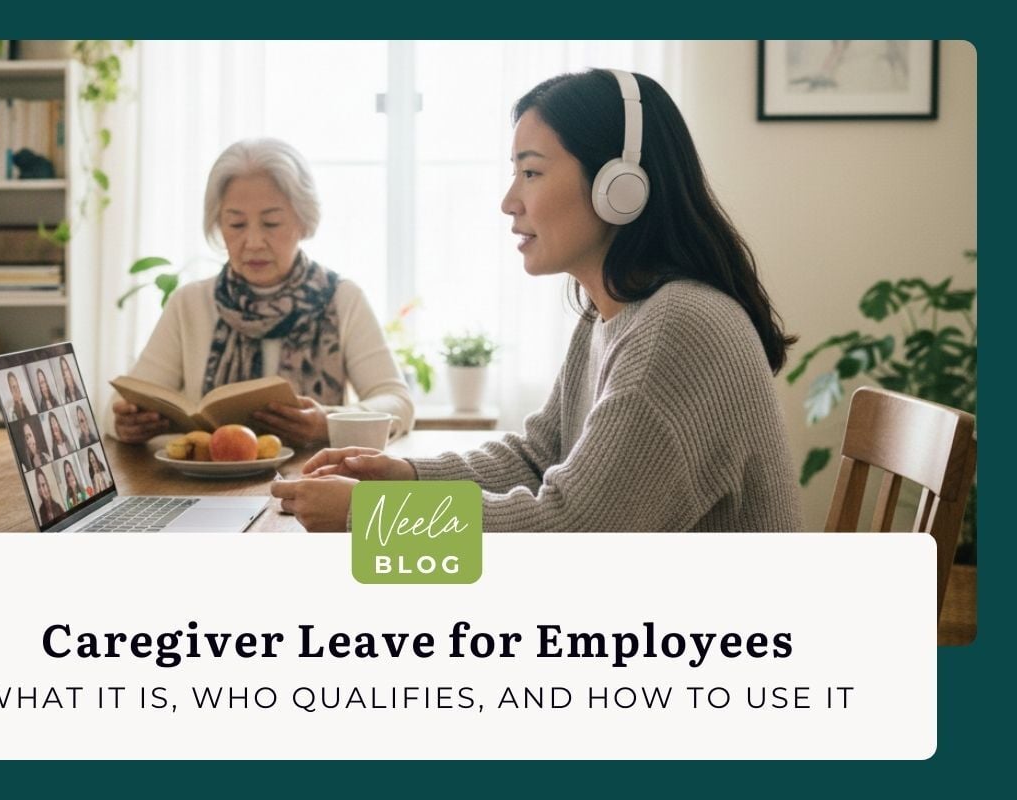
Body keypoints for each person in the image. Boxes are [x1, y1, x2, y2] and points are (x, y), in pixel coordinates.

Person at [272, 69, 802, 533]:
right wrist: (406, 474)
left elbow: (571, 532)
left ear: (620, 186)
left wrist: (371, 514)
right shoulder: (611, 314)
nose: (509, 201)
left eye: (531, 172)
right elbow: (539, 458)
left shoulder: (679, 327)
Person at [107, 137, 413, 447]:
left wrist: (329, 423)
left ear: (304, 222)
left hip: (315, 483)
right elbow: (115, 408)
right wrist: (126, 423)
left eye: (271, 222)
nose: (253, 241)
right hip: (211, 489)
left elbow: (397, 403)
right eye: (236, 224)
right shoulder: (191, 303)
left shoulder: (343, 299)